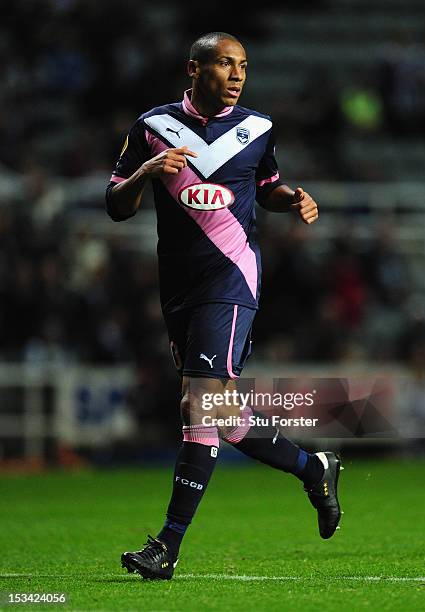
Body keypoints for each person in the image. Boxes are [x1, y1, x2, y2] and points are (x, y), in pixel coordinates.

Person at [106, 32, 343, 581]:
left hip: (232, 280)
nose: (237, 75)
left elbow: (269, 186)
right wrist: (145, 173)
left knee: (197, 405)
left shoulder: (257, 129)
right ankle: (314, 468)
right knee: (219, 415)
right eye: (224, 64)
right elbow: (115, 204)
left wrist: (295, 198)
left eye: (243, 66)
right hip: (179, 289)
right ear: (194, 69)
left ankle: (166, 544)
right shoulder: (152, 127)